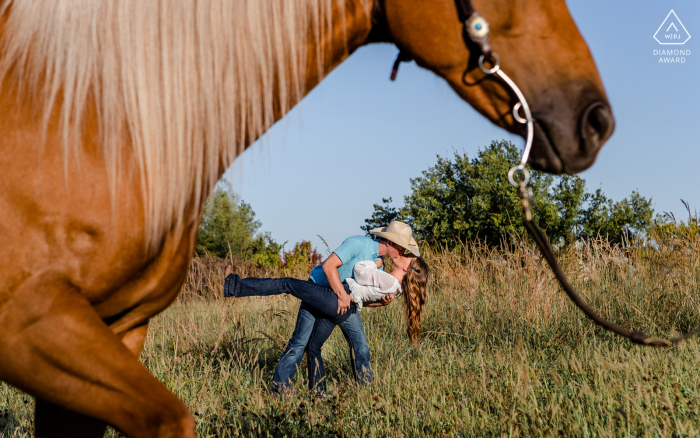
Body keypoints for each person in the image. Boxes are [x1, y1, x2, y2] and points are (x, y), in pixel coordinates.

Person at [224, 221, 419, 392]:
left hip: (341, 302)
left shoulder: (380, 266)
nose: (401, 253)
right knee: (300, 344)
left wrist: (381, 303)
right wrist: (342, 294)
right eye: (401, 249)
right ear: (390, 242)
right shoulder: (358, 243)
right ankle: (280, 390)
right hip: (318, 291)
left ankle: (361, 391)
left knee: (359, 344)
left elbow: (361, 297)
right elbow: (328, 266)